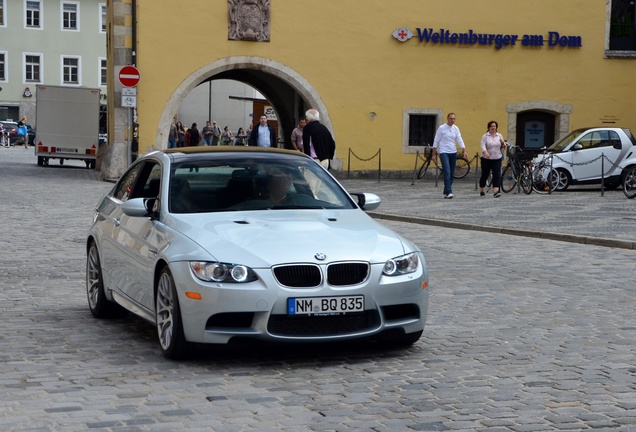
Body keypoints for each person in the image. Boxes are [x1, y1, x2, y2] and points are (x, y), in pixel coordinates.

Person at [432, 113, 468, 199]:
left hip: (453, 152)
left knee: (451, 173)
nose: (453, 120)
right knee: (447, 171)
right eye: (451, 118)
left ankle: (446, 190)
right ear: (447, 119)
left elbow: (459, 138)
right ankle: (449, 192)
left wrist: (464, 149)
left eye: (454, 119)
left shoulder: (456, 128)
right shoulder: (442, 128)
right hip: (444, 152)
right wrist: (434, 154)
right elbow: (436, 140)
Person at [479, 120, 506, 198]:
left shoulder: (499, 135)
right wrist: (485, 152)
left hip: (497, 158)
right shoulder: (485, 136)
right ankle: (482, 189)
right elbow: (482, 145)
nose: (493, 128)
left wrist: (502, 143)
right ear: (488, 127)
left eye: (494, 126)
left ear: (496, 127)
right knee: (485, 174)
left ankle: (496, 191)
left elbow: (503, 146)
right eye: (491, 126)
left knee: (497, 175)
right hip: (486, 159)